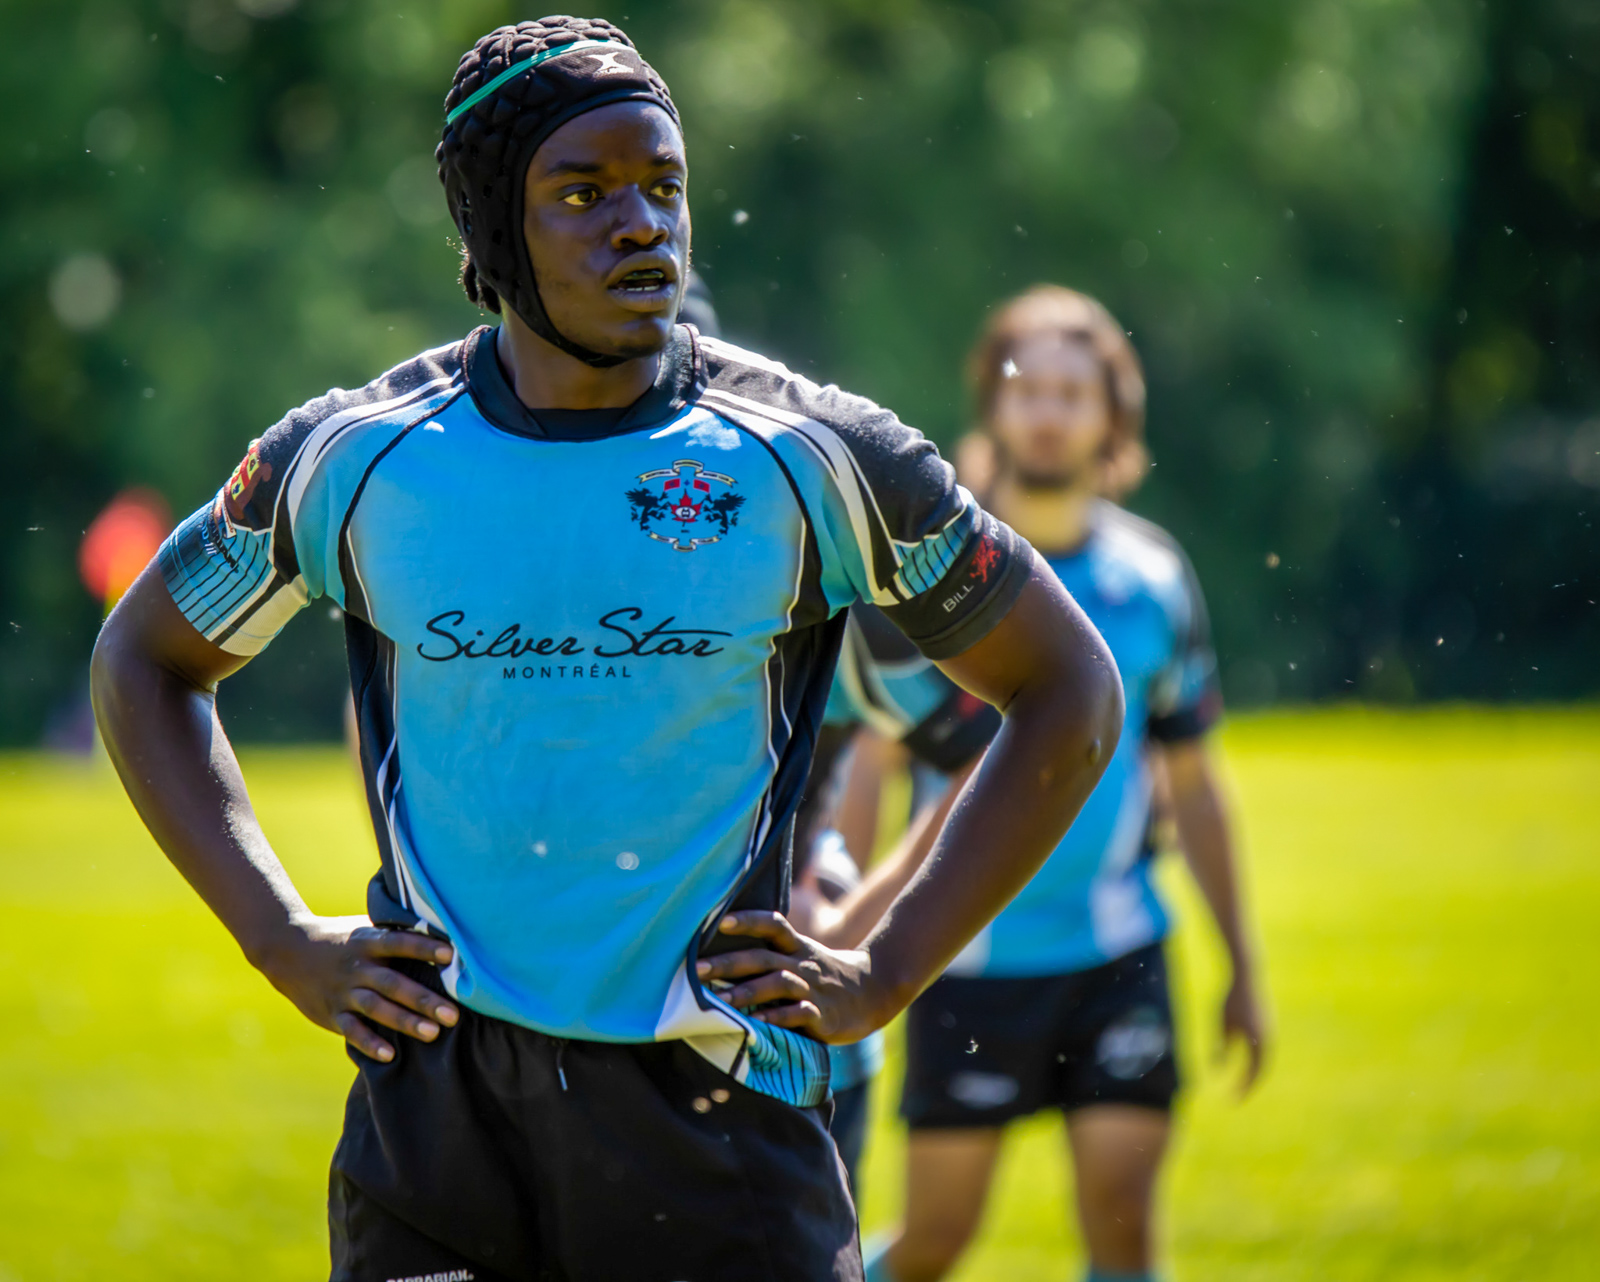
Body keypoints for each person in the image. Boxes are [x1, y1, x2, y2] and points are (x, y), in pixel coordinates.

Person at [89, 20, 1124, 1282]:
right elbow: (143, 659)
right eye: (583, 194)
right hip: (433, 1121)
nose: (641, 224)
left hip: (722, 1122)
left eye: (662, 185)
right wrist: (279, 937)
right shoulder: (355, 459)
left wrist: (883, 970)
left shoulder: (817, 459)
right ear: (490, 233)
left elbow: (1067, 690)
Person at [866, 286, 1269, 1282]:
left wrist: (1241, 963)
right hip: (961, 958)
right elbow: (868, 761)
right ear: (993, 407)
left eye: (1071, 391)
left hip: (1117, 955)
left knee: (1124, 1227)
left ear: (1110, 416)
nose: (1046, 410)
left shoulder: (1156, 577)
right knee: (934, 1243)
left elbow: (1193, 779)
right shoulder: (935, 574)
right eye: (1025, 387)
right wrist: (846, 926)